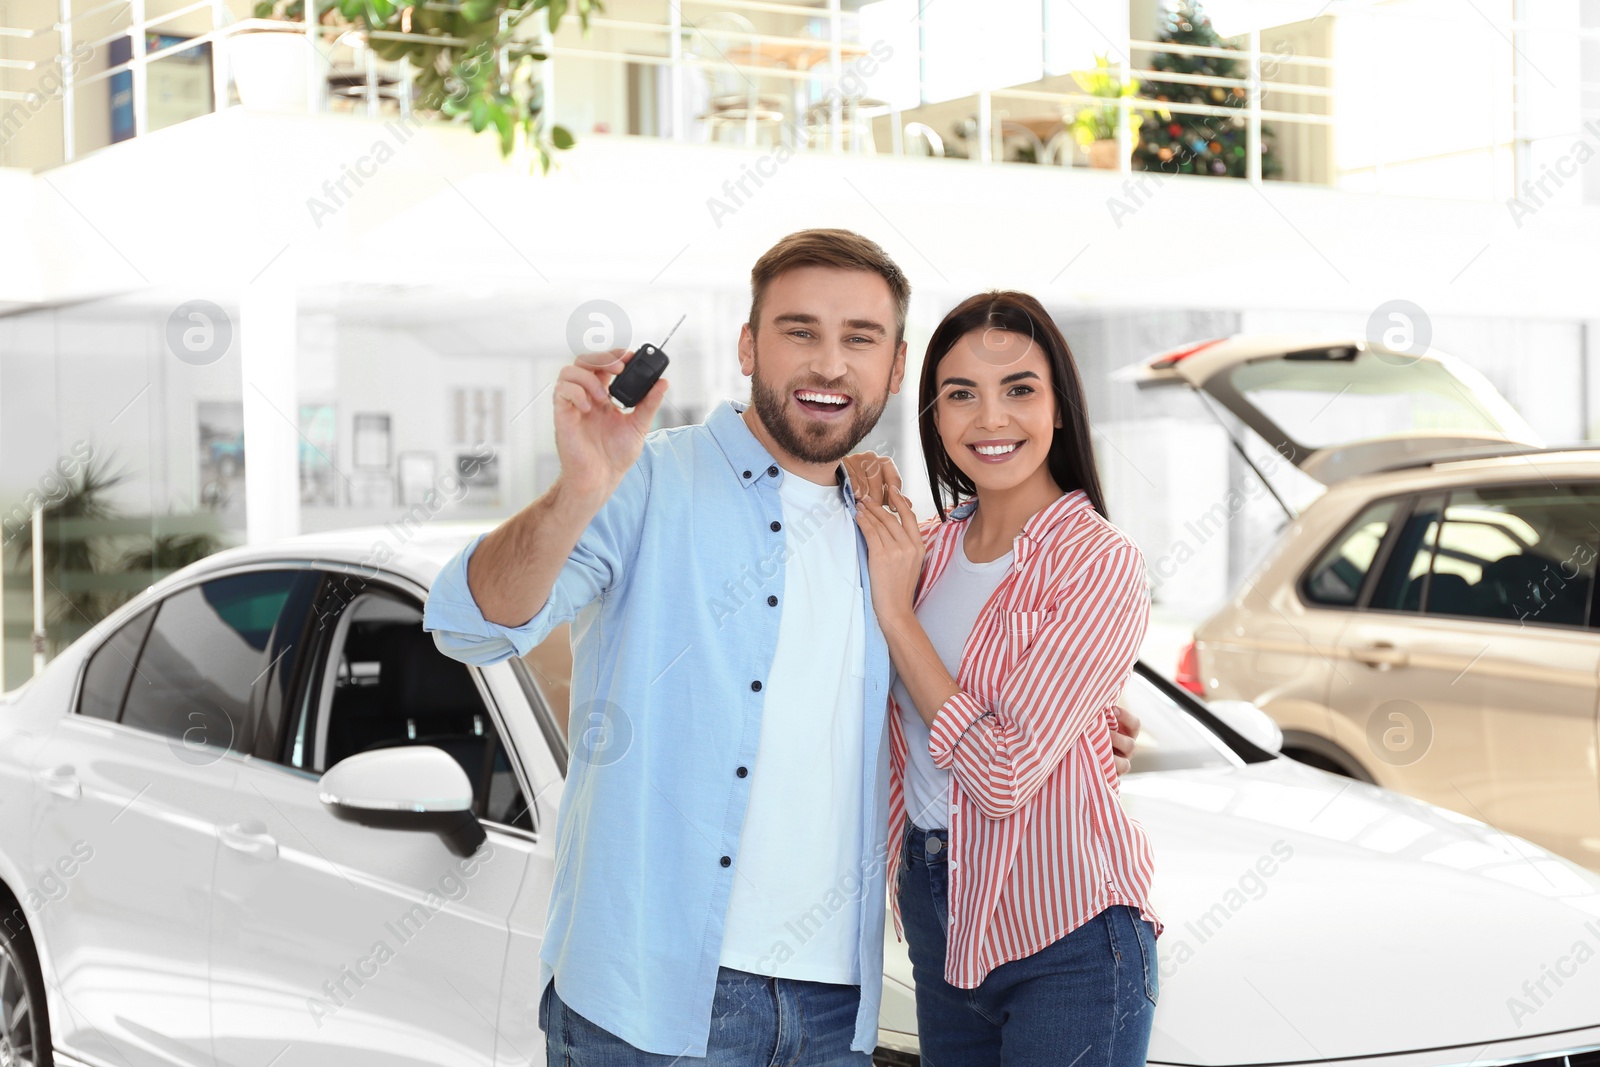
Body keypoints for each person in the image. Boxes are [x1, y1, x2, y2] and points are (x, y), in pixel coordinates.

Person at [422, 231, 1142, 1065]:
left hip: (838, 1013)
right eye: (801, 331)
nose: (830, 365)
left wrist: (1088, 726)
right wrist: (579, 487)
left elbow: (972, 696)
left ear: (897, 365)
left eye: (859, 339)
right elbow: (470, 625)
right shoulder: (646, 480)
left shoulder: (897, 534)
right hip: (651, 1005)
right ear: (747, 345)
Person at [843, 291, 1160, 1067]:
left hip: (1067, 931)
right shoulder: (924, 550)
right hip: (935, 908)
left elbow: (1005, 770)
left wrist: (897, 616)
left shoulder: (1099, 561)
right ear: (933, 415)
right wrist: (842, 470)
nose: (991, 419)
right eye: (961, 394)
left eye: (1019, 389)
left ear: (1058, 406)